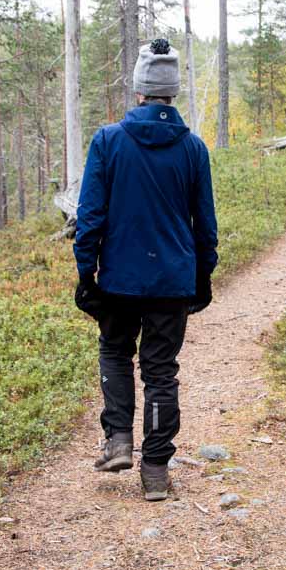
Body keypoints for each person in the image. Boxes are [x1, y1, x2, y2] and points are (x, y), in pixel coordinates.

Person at [73, 38, 219, 501]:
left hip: (118, 278)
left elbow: (90, 216)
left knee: (116, 353)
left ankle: (118, 440)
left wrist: (85, 273)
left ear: (139, 89)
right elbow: (205, 226)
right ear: (172, 93)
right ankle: (155, 470)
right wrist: (201, 276)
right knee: (160, 372)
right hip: (172, 281)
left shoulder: (109, 140)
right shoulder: (193, 148)